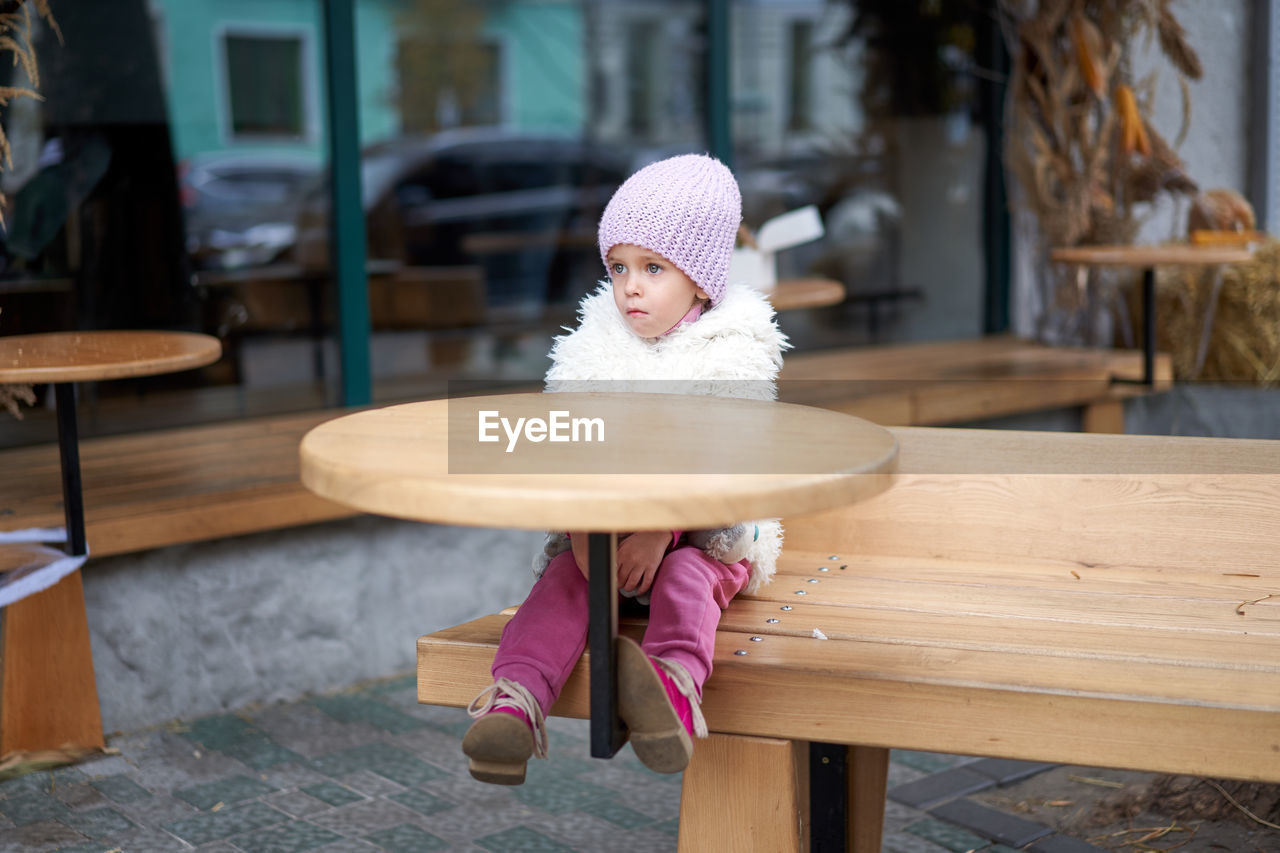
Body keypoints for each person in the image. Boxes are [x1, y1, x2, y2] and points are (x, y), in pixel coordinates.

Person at [462, 154, 789, 785]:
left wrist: (657, 535)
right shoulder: (596, 346)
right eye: (618, 267)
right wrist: (585, 531)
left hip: (705, 531)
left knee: (692, 575)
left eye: (652, 268)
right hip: (608, 531)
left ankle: (669, 690)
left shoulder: (731, 355)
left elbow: (724, 470)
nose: (629, 286)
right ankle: (516, 702)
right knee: (565, 580)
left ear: (700, 278)